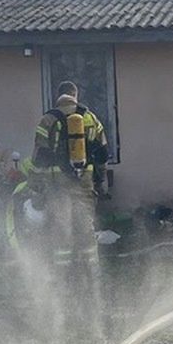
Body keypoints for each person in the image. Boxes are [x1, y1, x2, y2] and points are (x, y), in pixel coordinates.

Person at [29, 80, 109, 266]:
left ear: (58, 96)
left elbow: (39, 157)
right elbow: (103, 154)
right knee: (85, 227)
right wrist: (100, 180)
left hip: (57, 185)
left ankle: (64, 273)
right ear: (75, 95)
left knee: (61, 228)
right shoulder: (90, 118)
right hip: (84, 183)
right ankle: (91, 270)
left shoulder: (47, 120)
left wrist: (35, 184)